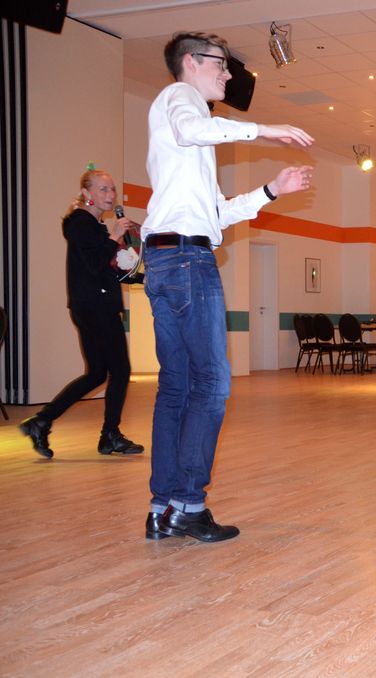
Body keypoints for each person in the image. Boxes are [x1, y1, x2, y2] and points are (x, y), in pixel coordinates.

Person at [142, 31, 314, 543]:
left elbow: (216, 214)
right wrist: (266, 130)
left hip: (169, 258)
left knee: (176, 388)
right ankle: (188, 505)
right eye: (221, 64)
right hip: (186, 262)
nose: (228, 74)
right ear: (191, 62)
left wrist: (271, 191)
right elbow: (196, 130)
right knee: (212, 386)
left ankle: (163, 508)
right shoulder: (180, 99)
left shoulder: (186, 137)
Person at [19, 168, 145, 459]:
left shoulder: (94, 227)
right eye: (103, 189)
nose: (110, 195)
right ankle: (110, 436)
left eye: (112, 189)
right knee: (120, 370)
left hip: (92, 305)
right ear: (87, 194)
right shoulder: (80, 223)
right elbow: (93, 264)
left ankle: (42, 421)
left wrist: (136, 275)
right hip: (95, 307)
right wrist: (115, 236)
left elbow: (102, 268)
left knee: (97, 373)